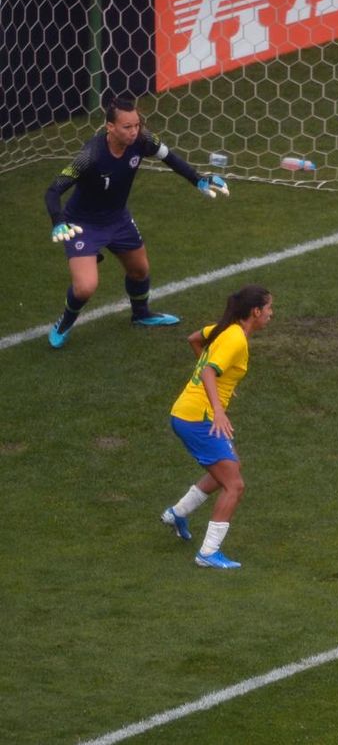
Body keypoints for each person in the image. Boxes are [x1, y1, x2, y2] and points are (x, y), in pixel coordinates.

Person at [44, 96, 230, 348]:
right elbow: (54, 190)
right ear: (110, 127)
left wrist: (198, 179)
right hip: (82, 224)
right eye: (127, 127)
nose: (134, 132)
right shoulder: (91, 156)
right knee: (85, 287)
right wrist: (58, 221)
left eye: (137, 125)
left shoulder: (144, 139)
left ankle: (141, 314)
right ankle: (65, 321)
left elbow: (170, 157)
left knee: (140, 270)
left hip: (118, 218)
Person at [161, 284, 274, 569]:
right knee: (234, 485)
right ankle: (208, 553)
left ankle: (178, 513)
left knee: (230, 467)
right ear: (255, 311)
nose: (272, 313)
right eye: (269, 308)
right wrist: (219, 409)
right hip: (198, 418)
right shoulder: (235, 339)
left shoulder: (226, 328)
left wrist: (218, 387)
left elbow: (194, 339)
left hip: (187, 412)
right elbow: (210, 369)